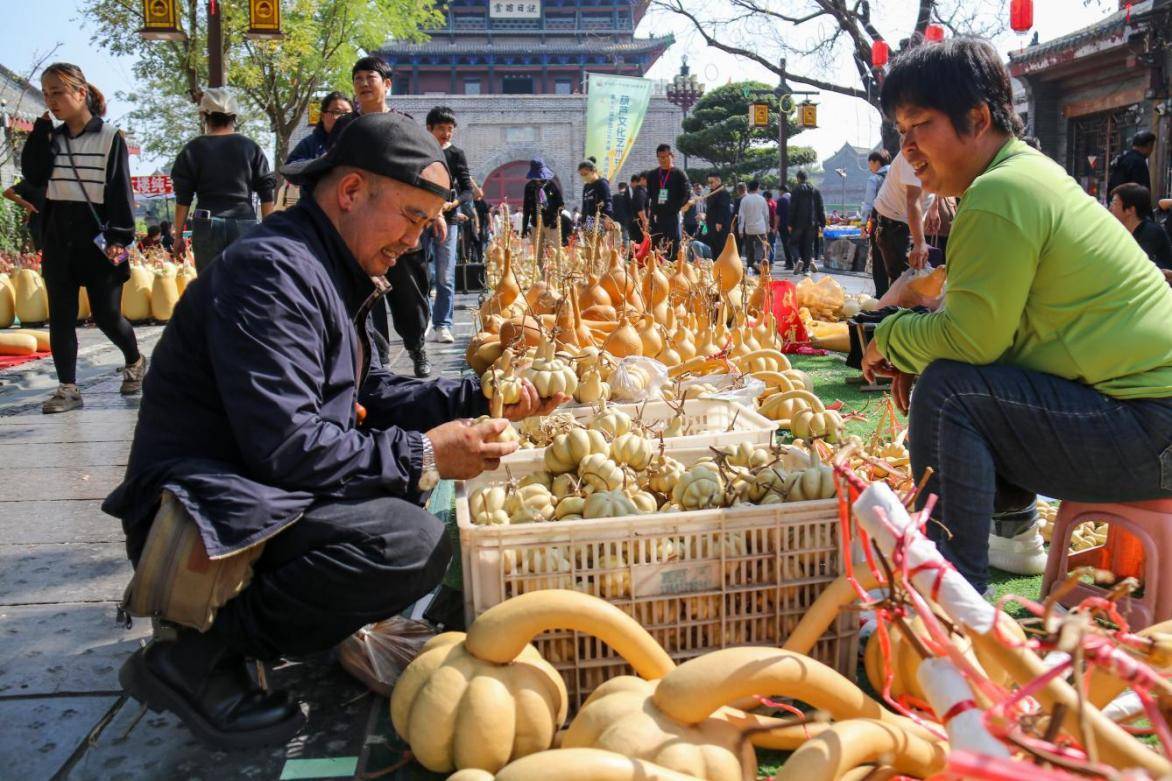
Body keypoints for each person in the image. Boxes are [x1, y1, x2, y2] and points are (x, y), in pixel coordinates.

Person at [106, 112, 567, 749]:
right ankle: (200, 651)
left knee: (398, 493)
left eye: (429, 223)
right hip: (206, 523)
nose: (418, 239)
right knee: (407, 541)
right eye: (410, 216)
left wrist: (483, 395)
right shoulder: (271, 274)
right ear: (351, 192)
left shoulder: (328, 268)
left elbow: (368, 393)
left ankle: (286, 620)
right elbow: (289, 447)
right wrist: (426, 454)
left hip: (260, 494)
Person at [861, 38, 1172, 596]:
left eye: (919, 126)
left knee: (950, 391)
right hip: (1149, 421)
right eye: (900, 132)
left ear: (977, 118)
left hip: (1151, 430)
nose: (906, 148)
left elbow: (971, 339)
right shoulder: (1024, 175)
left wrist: (890, 335)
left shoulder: (1000, 192)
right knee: (968, 376)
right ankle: (1012, 531)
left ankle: (949, 600)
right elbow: (994, 332)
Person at [21, 62, 144, 414]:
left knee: (107, 315)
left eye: (57, 92)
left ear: (80, 92)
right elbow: (32, 173)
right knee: (61, 314)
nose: (52, 100)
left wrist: (121, 237)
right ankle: (67, 388)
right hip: (59, 235)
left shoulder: (110, 137)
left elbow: (121, 191)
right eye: (46, 94)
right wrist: (40, 129)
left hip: (100, 238)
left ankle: (134, 360)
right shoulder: (51, 138)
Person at [348, 56, 434, 377]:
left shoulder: (405, 125)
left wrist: (429, 212)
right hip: (360, 224)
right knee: (367, 292)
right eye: (358, 79)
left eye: (370, 77)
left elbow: (425, 169)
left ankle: (416, 346)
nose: (363, 84)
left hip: (399, 221)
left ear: (387, 84)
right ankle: (379, 358)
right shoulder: (347, 128)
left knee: (407, 290)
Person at [171, 89, 275, 274]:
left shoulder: (192, 150)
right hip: (244, 223)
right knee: (243, 288)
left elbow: (183, 198)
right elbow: (266, 193)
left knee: (210, 289)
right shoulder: (251, 148)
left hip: (207, 223)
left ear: (204, 116)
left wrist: (178, 235)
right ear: (234, 117)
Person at [425, 106, 473, 346]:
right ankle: (420, 322)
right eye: (441, 129)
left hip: (449, 220)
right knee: (421, 273)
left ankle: (443, 324)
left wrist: (453, 204)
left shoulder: (456, 154)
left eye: (450, 129)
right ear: (429, 129)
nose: (446, 133)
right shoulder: (420, 152)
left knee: (445, 275)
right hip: (421, 219)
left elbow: (467, 189)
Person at [871, 150, 933, 284]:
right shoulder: (914, 153)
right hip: (894, 221)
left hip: (910, 221)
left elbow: (935, 185)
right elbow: (912, 201)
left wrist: (934, 209)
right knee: (903, 279)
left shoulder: (939, 152)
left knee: (914, 276)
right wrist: (919, 243)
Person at [1109, 183, 1172, 273]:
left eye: (1114, 203)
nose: (1110, 208)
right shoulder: (1122, 231)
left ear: (1130, 210)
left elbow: (1132, 266)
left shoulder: (1151, 232)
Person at [642, 144, 690, 257]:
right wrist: (646, 215)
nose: (662, 160)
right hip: (656, 215)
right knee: (654, 243)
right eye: (659, 157)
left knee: (673, 244)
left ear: (671, 156)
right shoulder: (652, 175)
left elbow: (687, 193)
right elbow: (648, 196)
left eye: (665, 157)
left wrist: (678, 207)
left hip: (672, 215)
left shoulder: (679, 174)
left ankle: (673, 267)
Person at [285, 92, 353, 165]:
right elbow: (290, 167)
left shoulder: (359, 142)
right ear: (323, 116)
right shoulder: (309, 144)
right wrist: (320, 162)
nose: (342, 117)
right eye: (337, 112)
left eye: (347, 114)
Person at [860, 150, 892, 295]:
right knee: (896, 259)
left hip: (880, 224)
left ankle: (881, 294)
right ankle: (895, 294)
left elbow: (868, 205)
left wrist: (863, 226)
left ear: (875, 162)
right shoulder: (896, 176)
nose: (870, 168)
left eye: (870, 164)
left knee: (879, 261)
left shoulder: (874, 179)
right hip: (901, 224)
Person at [787, 170, 826, 274]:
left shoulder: (795, 190)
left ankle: (798, 259)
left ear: (798, 178)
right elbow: (820, 207)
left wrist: (790, 223)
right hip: (812, 223)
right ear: (806, 178)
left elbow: (792, 208)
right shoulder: (815, 190)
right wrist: (823, 223)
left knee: (792, 243)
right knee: (808, 245)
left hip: (798, 223)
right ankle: (806, 269)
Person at [521, 158, 564, 248]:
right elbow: (526, 209)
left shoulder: (551, 185)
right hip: (536, 223)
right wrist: (524, 228)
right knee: (536, 253)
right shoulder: (529, 187)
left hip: (551, 222)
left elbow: (560, 204)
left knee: (554, 251)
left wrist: (556, 218)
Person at [2, 178, 46, 250]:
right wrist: (28, 205)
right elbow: (7, 193)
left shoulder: (51, 183)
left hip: (51, 224)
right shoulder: (29, 182)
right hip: (36, 224)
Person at [737, 179, 769, 267]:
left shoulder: (744, 200)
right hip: (761, 228)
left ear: (748, 188)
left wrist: (740, 230)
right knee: (761, 246)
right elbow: (766, 215)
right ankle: (759, 263)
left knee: (750, 249)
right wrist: (767, 228)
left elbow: (741, 216)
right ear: (757, 188)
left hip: (749, 229)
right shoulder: (762, 199)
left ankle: (751, 266)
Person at [577, 157, 613, 232]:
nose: (584, 177)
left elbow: (608, 201)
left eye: (586, 174)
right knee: (588, 243)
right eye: (582, 175)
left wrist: (607, 217)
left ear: (593, 171)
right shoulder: (586, 186)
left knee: (599, 243)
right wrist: (582, 221)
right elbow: (584, 205)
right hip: (588, 222)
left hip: (600, 221)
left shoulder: (602, 184)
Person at [704, 173, 732, 255]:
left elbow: (723, 208)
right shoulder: (712, 192)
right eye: (708, 182)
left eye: (711, 182)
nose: (710, 184)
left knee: (720, 247)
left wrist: (719, 222)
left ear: (718, 181)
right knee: (713, 247)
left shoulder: (723, 192)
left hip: (719, 225)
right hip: (711, 224)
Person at [774, 185, 792, 269]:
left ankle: (789, 262)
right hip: (794, 226)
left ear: (782, 191)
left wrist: (775, 227)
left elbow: (778, 215)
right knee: (793, 244)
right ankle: (796, 260)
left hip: (783, 226)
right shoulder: (794, 198)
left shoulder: (781, 200)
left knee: (786, 244)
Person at [628, 174, 648, 245]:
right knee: (639, 245)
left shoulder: (638, 191)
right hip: (638, 224)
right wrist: (644, 221)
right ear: (642, 179)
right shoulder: (640, 192)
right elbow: (640, 208)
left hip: (635, 223)